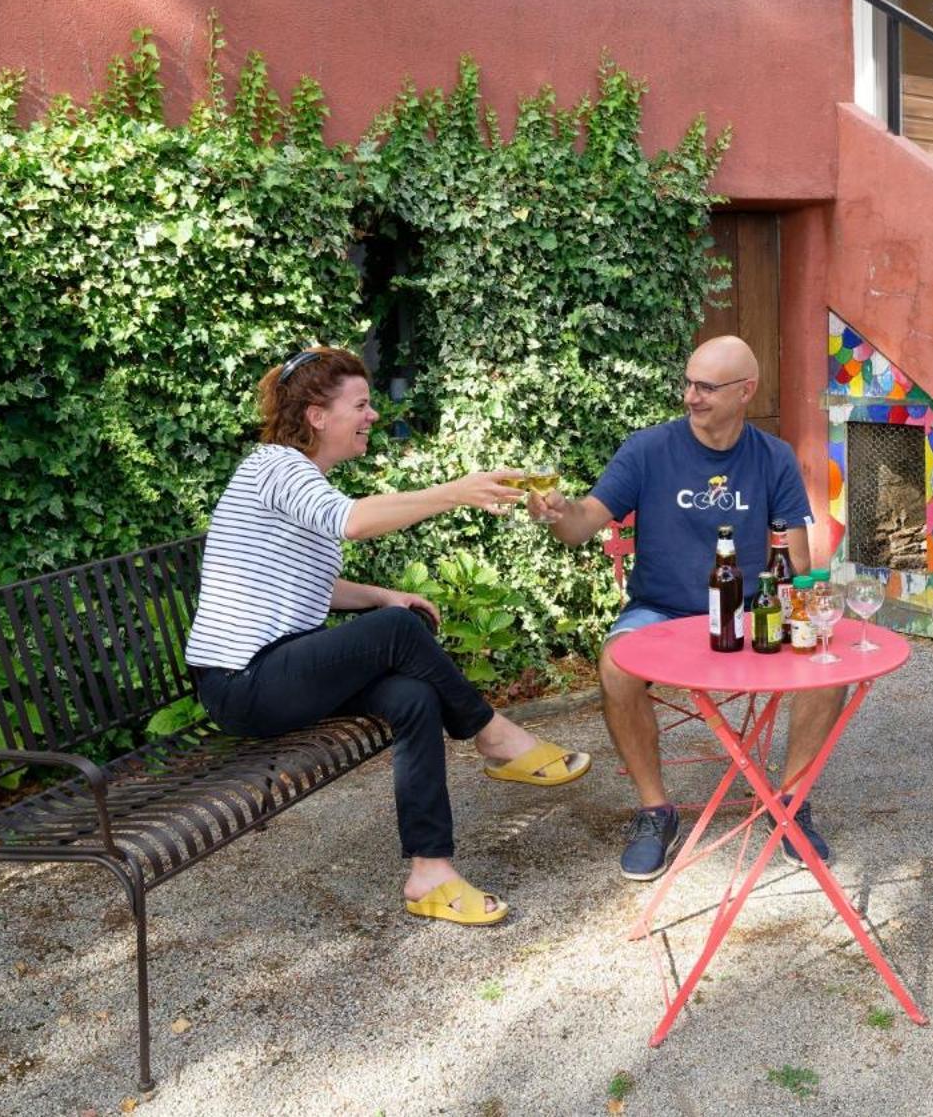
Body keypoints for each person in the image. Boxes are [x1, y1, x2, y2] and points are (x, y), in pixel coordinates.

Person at [184, 345, 591, 927]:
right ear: (318, 416)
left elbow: (312, 588)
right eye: (362, 404)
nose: (372, 415)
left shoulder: (300, 479)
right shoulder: (274, 466)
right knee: (399, 634)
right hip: (241, 681)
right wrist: (454, 492)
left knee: (412, 694)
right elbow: (355, 521)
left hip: (278, 670)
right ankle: (495, 736)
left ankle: (432, 874)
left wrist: (381, 597)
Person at [531, 335, 837, 879]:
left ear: (746, 392)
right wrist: (557, 513)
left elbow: (798, 558)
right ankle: (655, 811)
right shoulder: (648, 449)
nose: (690, 397)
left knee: (826, 668)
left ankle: (789, 803)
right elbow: (581, 526)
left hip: (748, 612)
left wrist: (808, 622)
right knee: (616, 667)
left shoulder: (773, 458)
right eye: (688, 382)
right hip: (661, 611)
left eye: (705, 387)